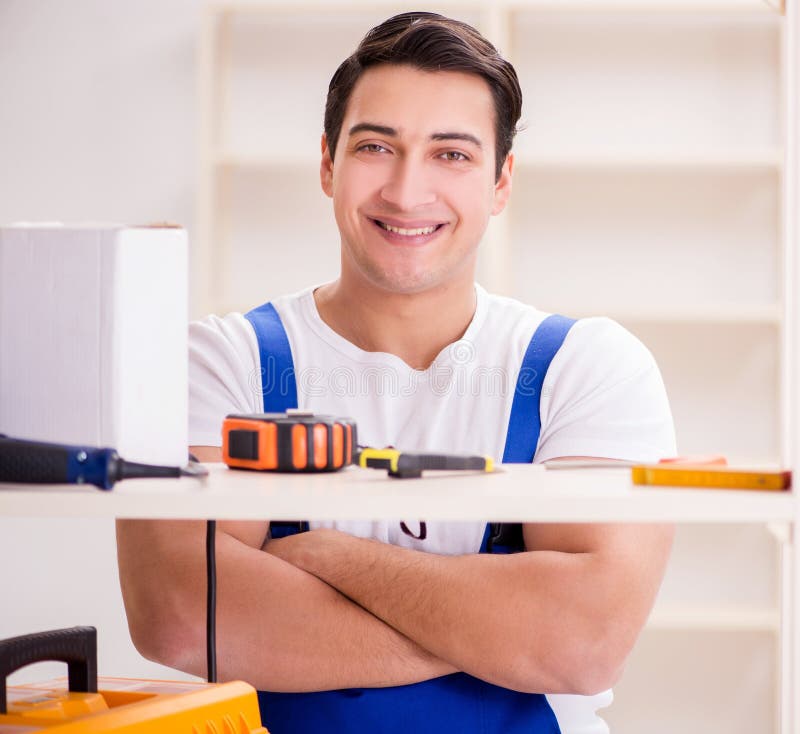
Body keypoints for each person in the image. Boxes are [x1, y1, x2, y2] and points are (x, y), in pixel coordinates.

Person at [116, 11, 676, 734]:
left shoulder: (590, 369)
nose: (407, 193)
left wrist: (324, 555)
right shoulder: (219, 365)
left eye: (452, 155)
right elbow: (183, 619)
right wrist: (505, 629)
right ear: (327, 164)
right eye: (377, 146)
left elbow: (583, 643)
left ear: (501, 181)